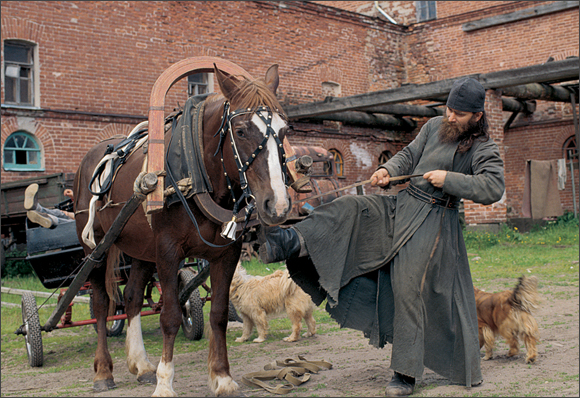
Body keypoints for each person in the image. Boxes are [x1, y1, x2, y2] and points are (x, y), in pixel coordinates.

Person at [258, 77, 505, 396]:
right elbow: (409, 155)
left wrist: (451, 179)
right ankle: (289, 241)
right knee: (351, 207)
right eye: (448, 109)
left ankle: (405, 373)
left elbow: (492, 187)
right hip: (402, 204)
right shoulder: (433, 126)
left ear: (477, 116)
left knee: (408, 287)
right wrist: (389, 171)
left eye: (458, 113)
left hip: (435, 222)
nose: (450, 117)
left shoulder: (484, 147)